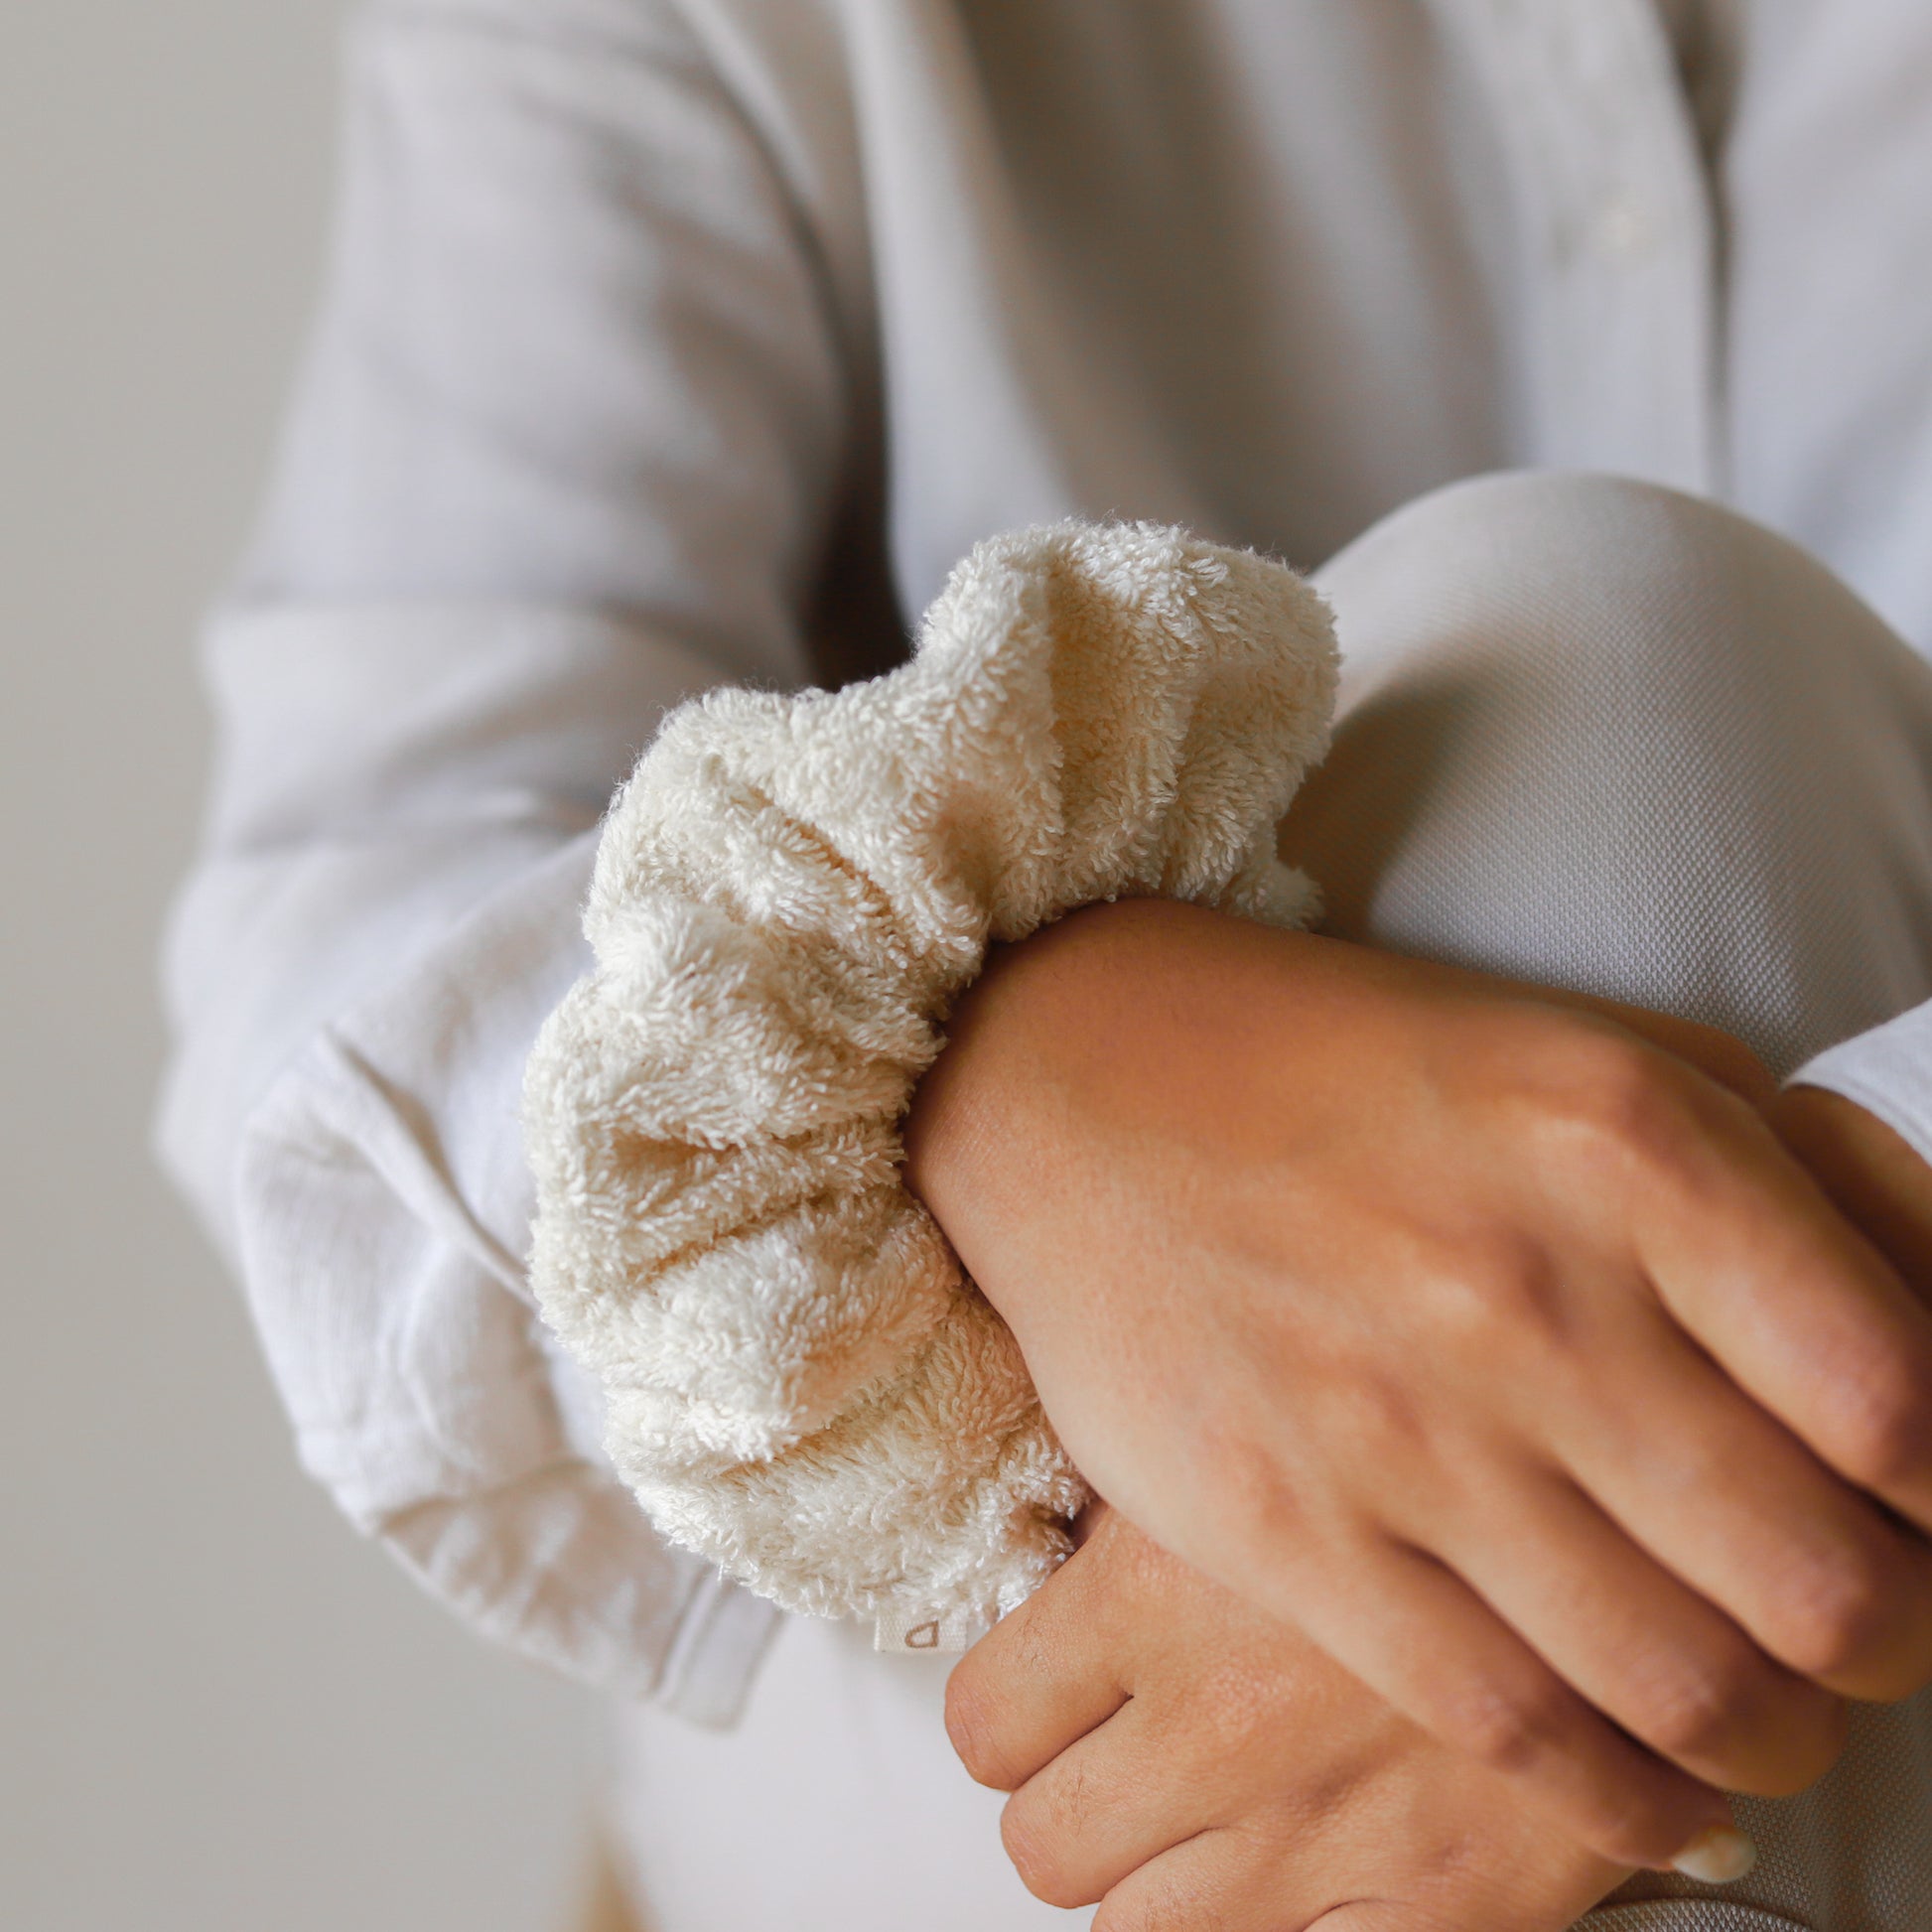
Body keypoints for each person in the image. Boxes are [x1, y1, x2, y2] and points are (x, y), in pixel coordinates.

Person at [155, 1, 1932, 1926]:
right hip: (1044, 1633)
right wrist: (1007, 1086)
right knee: (1603, 679)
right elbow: (342, 941)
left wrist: (1852, 1214)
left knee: (1623, 684)